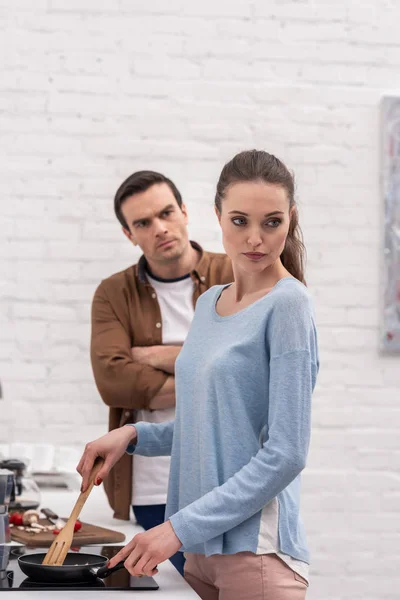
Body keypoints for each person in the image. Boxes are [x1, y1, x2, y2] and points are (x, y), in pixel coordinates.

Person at [79, 150, 319, 600]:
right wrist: (132, 435)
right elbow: (210, 423)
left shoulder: (289, 304)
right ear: (217, 216)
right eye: (240, 220)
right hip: (200, 553)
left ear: (291, 219)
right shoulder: (211, 303)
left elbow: (286, 453)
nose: (255, 239)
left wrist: (175, 529)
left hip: (254, 554)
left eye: (272, 222)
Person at [90, 170, 233, 575]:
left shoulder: (236, 276)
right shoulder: (113, 293)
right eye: (142, 223)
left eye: (166, 212)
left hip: (227, 480)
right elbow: (113, 380)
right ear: (128, 234)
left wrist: (153, 355)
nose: (160, 228)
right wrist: (208, 369)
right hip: (152, 484)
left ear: (185, 211)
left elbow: (250, 372)